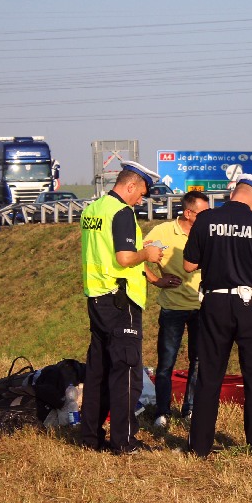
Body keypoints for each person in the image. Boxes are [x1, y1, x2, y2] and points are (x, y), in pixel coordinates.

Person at [182, 174, 252, 457]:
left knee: (209, 376)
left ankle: (199, 445)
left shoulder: (204, 220)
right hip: (251, 306)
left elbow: (189, 264)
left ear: (233, 193)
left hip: (214, 303)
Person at [79, 161, 164, 454]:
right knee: (126, 372)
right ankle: (124, 441)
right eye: (140, 193)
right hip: (121, 302)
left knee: (98, 372)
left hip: (97, 297)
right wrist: (148, 253)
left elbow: (103, 255)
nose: (140, 200)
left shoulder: (93, 210)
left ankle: (90, 436)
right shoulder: (123, 212)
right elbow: (125, 258)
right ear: (129, 186)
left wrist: (153, 278)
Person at [144, 190, 211, 428]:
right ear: (188, 213)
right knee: (166, 363)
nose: (208, 216)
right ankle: (162, 412)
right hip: (172, 307)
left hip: (202, 307)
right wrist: (155, 280)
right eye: (203, 212)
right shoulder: (163, 231)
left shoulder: (208, 232)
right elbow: (137, 257)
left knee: (199, 360)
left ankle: (190, 410)